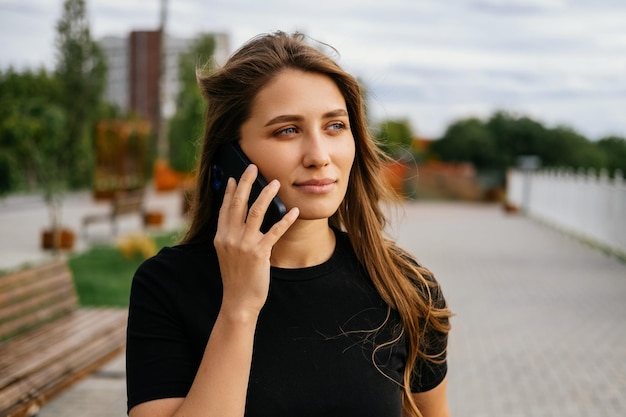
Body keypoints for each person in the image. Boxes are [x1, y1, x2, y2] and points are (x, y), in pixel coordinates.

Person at [126, 31, 452, 417]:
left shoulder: (406, 286)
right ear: (231, 154)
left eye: (334, 126)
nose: (319, 156)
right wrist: (239, 309)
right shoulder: (166, 286)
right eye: (288, 130)